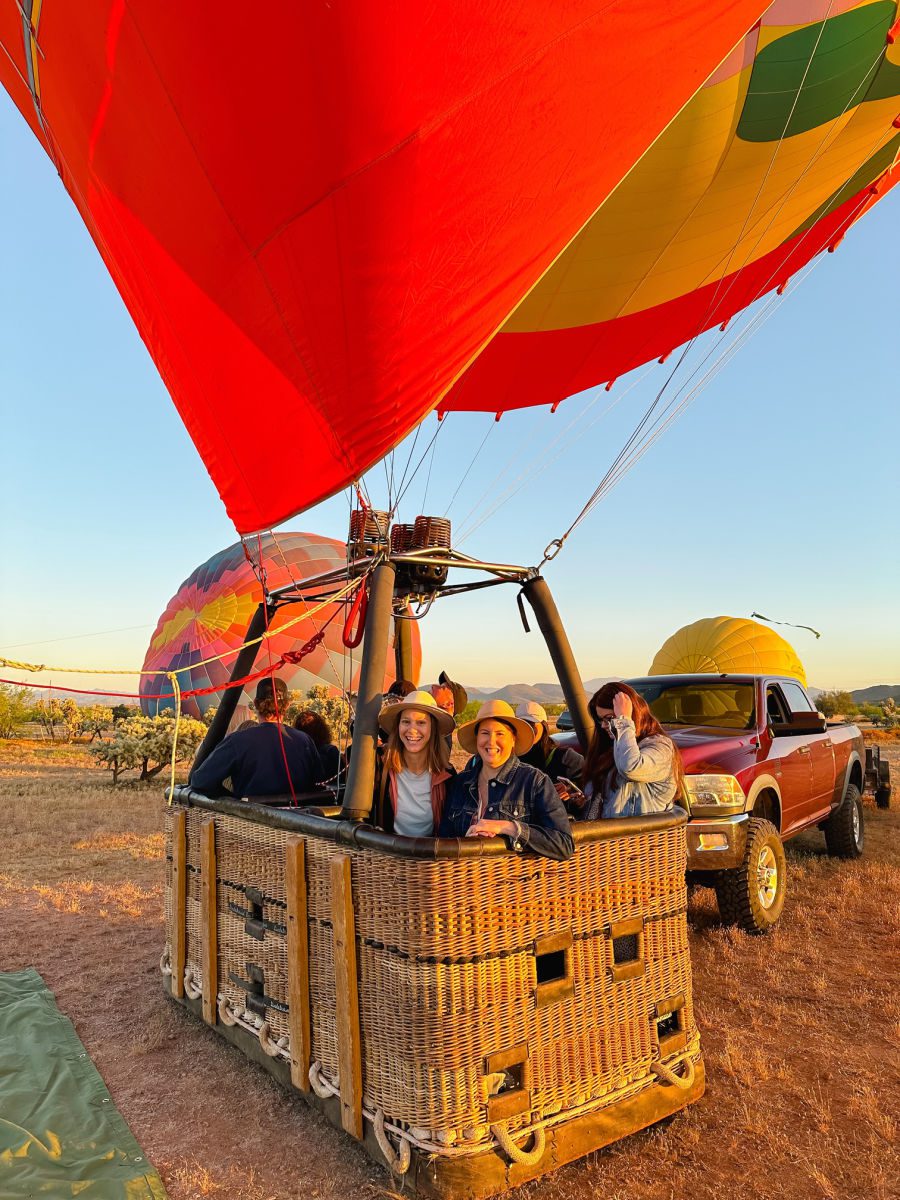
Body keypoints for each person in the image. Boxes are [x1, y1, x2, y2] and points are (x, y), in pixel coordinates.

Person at [439, 700, 574, 861]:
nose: (491, 741)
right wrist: (463, 843)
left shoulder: (534, 782)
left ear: (513, 740)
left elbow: (563, 844)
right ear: (477, 739)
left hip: (513, 882)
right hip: (467, 882)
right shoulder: (460, 783)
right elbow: (443, 840)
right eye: (485, 733)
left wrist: (508, 827)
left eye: (500, 734)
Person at [190, 677, 322, 801]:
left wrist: (232, 799)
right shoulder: (305, 740)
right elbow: (319, 782)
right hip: (297, 820)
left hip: (251, 822)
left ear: (255, 704)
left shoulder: (238, 740)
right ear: (287, 705)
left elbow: (200, 781)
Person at [581, 682, 683, 820]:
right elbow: (608, 802)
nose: (604, 725)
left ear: (632, 714)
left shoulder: (660, 746)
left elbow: (631, 767)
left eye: (610, 718)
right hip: (608, 837)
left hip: (641, 838)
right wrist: (582, 800)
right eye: (600, 720)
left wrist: (623, 720)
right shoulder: (614, 747)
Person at [374, 690, 455, 836]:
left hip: (429, 857)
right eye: (406, 722)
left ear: (433, 729)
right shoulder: (379, 767)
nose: (412, 730)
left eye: (421, 723)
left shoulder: (447, 776)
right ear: (398, 726)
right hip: (387, 855)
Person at [515, 700, 584, 789]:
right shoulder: (510, 758)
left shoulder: (565, 757)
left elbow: (591, 784)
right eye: (522, 725)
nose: (527, 730)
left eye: (531, 724)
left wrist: (571, 789)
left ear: (544, 727)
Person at [293, 710, 342, 783]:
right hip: (330, 793)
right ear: (322, 730)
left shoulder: (295, 752)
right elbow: (341, 779)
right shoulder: (330, 751)